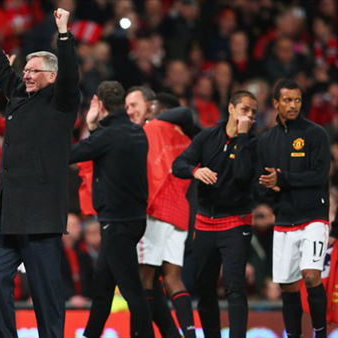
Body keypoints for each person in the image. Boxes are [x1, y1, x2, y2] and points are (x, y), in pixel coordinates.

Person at [0, 4, 80, 337]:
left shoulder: (62, 103)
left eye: (34, 71)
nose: (27, 75)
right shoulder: (19, 96)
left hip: (41, 216)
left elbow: (71, 75)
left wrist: (64, 35)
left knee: (46, 291)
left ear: (51, 76)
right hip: (9, 212)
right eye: (27, 70)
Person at [69, 81, 154, 338]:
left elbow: (70, 155)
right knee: (103, 289)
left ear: (101, 104)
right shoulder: (137, 132)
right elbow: (106, 150)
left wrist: (91, 125)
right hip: (133, 220)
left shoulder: (107, 136)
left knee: (132, 291)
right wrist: (97, 128)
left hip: (116, 223)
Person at [172, 90, 258, 338]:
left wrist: (242, 137)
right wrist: (195, 172)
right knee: (204, 286)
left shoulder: (253, 143)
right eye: (245, 109)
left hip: (236, 221)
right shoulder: (207, 136)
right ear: (231, 108)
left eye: (253, 112)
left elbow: (242, 175)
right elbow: (179, 164)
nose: (250, 115)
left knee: (234, 286)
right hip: (205, 222)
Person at [257, 79, 331, 337]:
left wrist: (283, 180)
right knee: (288, 287)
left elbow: (319, 175)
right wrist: (269, 187)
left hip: (313, 217)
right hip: (284, 219)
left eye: (297, 100)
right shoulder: (267, 140)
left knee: (311, 276)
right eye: (287, 100)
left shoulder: (315, 133)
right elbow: (263, 181)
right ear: (276, 103)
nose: (293, 105)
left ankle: (319, 333)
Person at [139, 98, 197, 338]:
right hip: (180, 211)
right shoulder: (186, 141)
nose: (148, 115)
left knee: (144, 279)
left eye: (153, 110)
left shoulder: (152, 130)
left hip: (155, 210)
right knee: (174, 280)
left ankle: (143, 333)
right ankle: (189, 334)